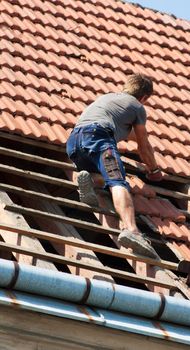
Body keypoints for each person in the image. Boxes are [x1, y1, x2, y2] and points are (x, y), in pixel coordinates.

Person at [66, 74, 162, 258]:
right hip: (99, 138)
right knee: (118, 181)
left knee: (102, 174)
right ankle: (131, 230)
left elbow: (131, 135)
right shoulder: (137, 107)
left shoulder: (107, 99)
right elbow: (143, 145)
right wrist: (154, 169)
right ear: (144, 97)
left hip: (74, 142)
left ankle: (89, 179)